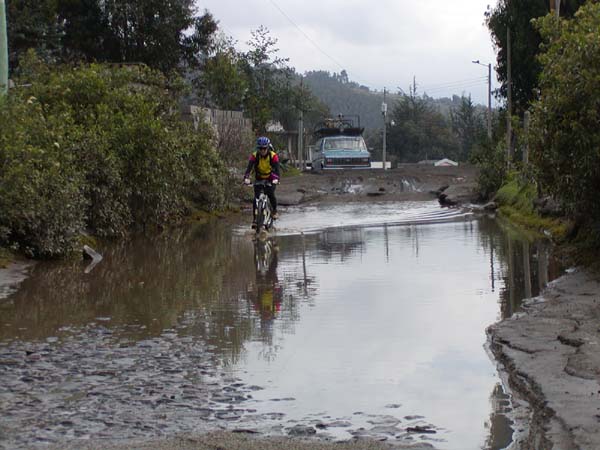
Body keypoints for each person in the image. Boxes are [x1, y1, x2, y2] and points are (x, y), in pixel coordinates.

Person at [244, 136, 280, 228]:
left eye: (264, 148)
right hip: (259, 178)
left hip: (271, 178)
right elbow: (249, 168)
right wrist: (246, 178)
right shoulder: (254, 156)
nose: (262, 150)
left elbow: (277, 170)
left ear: (268, 147)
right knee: (256, 198)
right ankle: (255, 220)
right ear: (258, 148)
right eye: (260, 148)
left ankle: (274, 211)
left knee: (271, 194)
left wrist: (276, 179)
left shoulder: (273, 156)